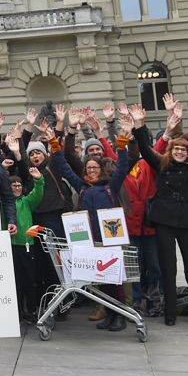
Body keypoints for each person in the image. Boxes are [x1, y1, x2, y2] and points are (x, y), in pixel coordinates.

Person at [132, 103, 188, 326]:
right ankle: (169, 314)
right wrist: (139, 124)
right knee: (168, 268)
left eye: (183, 150)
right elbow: (144, 148)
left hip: (187, 222)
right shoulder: (161, 165)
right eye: (176, 149)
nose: (179, 152)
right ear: (171, 151)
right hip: (164, 222)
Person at [52, 112, 135, 331]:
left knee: (115, 278)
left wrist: (122, 146)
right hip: (91, 239)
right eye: (88, 168)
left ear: (101, 169)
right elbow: (63, 166)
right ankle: (109, 313)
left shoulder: (110, 185)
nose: (91, 171)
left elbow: (124, 167)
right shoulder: (82, 186)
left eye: (94, 168)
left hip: (111, 238)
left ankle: (119, 315)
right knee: (102, 279)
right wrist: (54, 144)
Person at [10, 167, 45, 323]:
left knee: (30, 281)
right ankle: (16, 313)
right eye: (13, 185)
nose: (17, 188)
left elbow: (38, 194)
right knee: (15, 283)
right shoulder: (4, 203)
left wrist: (38, 180)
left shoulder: (26, 202)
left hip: (27, 246)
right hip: (10, 246)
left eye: (19, 185)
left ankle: (31, 311)